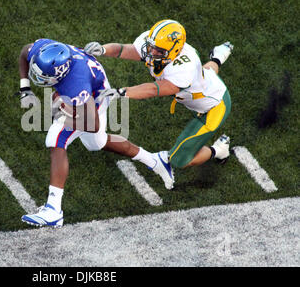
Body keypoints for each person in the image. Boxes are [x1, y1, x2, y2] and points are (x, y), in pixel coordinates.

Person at [18, 38, 167, 227]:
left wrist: (62, 112)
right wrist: (25, 88)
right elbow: (25, 50)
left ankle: (53, 210)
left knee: (55, 138)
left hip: (96, 98)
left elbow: (92, 124)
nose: (38, 78)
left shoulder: (75, 84)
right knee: (97, 143)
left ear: (61, 73)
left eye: (44, 76)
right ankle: (154, 160)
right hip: (91, 82)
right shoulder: (43, 51)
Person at [85, 19, 233, 189]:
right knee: (206, 74)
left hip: (213, 106)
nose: (151, 51)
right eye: (151, 46)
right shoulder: (155, 44)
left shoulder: (185, 68)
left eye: (158, 50)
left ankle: (219, 149)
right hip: (203, 84)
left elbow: (154, 89)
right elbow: (126, 49)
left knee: (178, 160)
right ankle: (218, 56)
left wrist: (121, 92)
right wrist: (103, 49)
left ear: (175, 50)